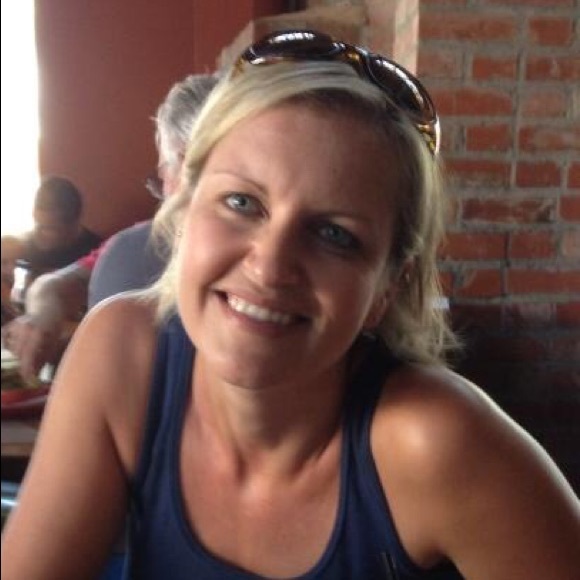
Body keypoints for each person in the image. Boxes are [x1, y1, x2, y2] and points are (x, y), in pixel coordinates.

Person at [2, 29, 579, 580]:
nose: (270, 266)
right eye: (241, 202)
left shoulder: (435, 442)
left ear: (385, 290)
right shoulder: (123, 353)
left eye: (334, 234)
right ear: (184, 210)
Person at [0, 73, 219, 382]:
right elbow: (52, 285)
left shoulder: (132, 249)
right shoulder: (129, 244)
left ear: (184, 167)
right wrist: (41, 315)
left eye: (161, 176)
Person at [0, 175, 102, 281]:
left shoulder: (97, 256)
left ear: (75, 223)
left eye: (50, 229)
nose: (40, 235)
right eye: (39, 226)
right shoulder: (20, 248)